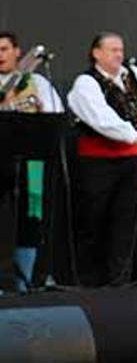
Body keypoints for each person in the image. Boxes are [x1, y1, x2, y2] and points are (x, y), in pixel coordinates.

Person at [67, 32, 137, 287]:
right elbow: (102, 119)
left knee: (127, 221)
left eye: (120, 49)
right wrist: (134, 137)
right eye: (112, 50)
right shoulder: (86, 83)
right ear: (96, 53)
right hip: (98, 162)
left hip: (132, 161)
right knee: (94, 220)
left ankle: (120, 278)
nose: (118, 55)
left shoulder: (135, 76)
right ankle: (90, 280)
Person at [0, 31, 63, 291]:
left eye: (4, 49)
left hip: (32, 164)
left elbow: (54, 116)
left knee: (30, 218)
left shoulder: (36, 81)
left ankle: (24, 280)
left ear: (17, 51)